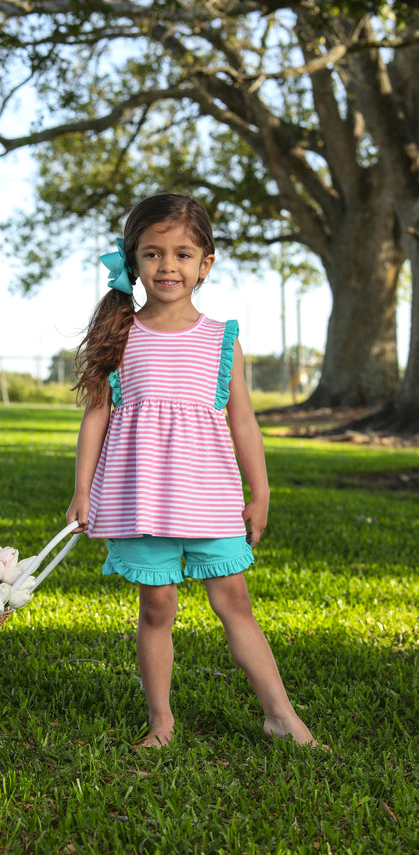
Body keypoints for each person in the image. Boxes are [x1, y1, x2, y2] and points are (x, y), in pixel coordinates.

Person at [66, 193, 319, 749]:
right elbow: (96, 418)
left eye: (182, 254)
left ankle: (281, 715)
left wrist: (262, 490)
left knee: (235, 602)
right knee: (156, 605)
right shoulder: (122, 335)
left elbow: (244, 422)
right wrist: (82, 489)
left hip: (210, 499)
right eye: (153, 254)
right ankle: (162, 722)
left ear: (206, 263)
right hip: (144, 500)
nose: (168, 267)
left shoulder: (222, 338)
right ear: (134, 262)